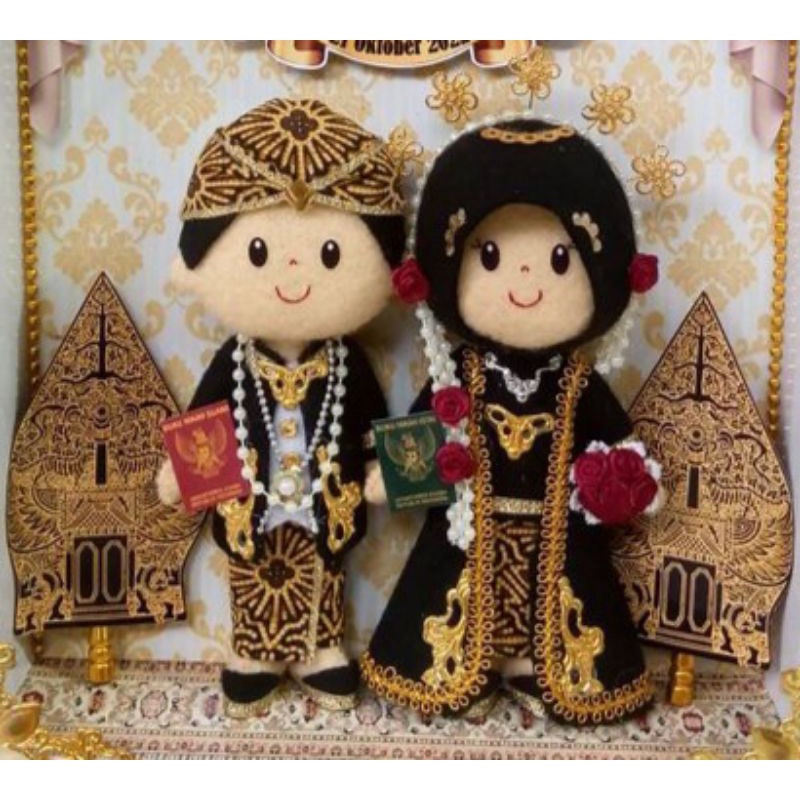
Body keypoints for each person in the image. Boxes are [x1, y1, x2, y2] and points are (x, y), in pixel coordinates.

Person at [362, 118, 662, 726]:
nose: (526, 282)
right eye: (492, 256)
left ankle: (528, 664)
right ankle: (479, 666)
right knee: (469, 597)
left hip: (559, 536)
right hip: (470, 529)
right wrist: (390, 476)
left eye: (558, 260)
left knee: (543, 604)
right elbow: (421, 437)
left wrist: (630, 479)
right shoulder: (460, 375)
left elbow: (620, 444)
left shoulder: (577, 383)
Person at [158, 97, 405, 717]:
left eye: (330, 255)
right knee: (254, 576)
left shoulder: (348, 363)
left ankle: (321, 649)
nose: (293, 271)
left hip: (325, 503)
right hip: (252, 503)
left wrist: (387, 469)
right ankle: (255, 653)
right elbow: (206, 419)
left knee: (323, 575)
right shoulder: (235, 361)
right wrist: (181, 473)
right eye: (260, 252)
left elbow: (375, 424)